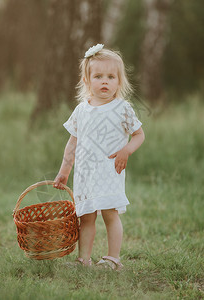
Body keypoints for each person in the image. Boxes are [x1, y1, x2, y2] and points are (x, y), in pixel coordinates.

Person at [53, 44, 145, 270]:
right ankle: (84, 259)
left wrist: (126, 150)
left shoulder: (122, 109)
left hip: (109, 171)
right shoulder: (81, 110)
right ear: (86, 80)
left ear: (119, 82)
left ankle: (113, 259)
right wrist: (64, 171)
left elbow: (139, 135)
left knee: (110, 214)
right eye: (98, 76)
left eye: (111, 77)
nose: (105, 81)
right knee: (86, 217)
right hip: (85, 173)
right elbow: (72, 144)